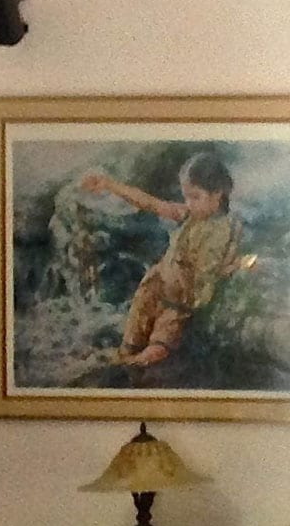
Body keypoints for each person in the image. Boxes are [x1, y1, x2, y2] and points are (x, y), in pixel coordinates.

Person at [78, 152, 244, 368]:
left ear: (217, 194)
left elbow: (218, 268)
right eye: (186, 197)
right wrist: (110, 185)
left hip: (182, 298)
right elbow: (151, 204)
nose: (189, 203)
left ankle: (137, 362)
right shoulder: (190, 215)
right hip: (157, 286)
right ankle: (126, 353)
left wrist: (237, 266)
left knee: (163, 338)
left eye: (195, 197)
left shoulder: (225, 229)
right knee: (137, 322)